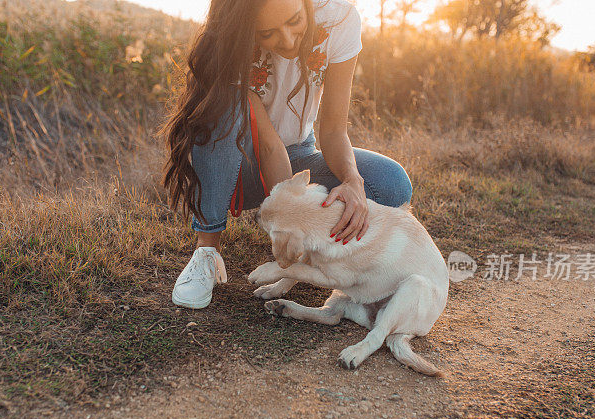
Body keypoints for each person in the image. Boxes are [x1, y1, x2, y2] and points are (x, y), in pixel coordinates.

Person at [161, 0, 413, 309]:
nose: (289, 40)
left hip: (300, 151)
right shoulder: (231, 41)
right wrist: (290, 215)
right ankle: (206, 252)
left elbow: (333, 130)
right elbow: (268, 146)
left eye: (295, 20)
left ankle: (338, 256)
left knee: (390, 182)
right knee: (221, 109)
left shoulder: (339, 20)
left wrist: (353, 181)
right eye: (268, 33)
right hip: (236, 165)